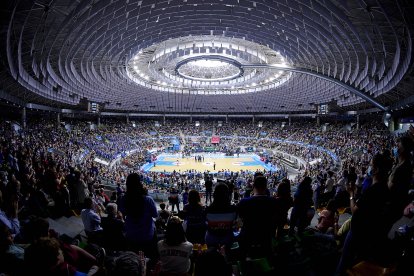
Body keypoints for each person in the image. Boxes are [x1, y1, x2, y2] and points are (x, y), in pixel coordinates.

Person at [119, 173, 158, 266]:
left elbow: (122, 213)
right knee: (148, 260)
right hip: (147, 236)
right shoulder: (148, 200)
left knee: (133, 261)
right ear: (139, 183)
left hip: (131, 235)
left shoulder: (123, 199)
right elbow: (155, 215)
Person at [238, 175, 279, 259]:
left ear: (253, 186)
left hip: (248, 236)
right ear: (266, 186)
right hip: (266, 236)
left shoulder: (244, 202)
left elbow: (240, 218)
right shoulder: (274, 202)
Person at [205, 184, 237, 251]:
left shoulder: (208, 210)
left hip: (211, 239)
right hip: (228, 239)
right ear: (227, 195)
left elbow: (207, 224)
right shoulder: (233, 209)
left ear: (214, 195)